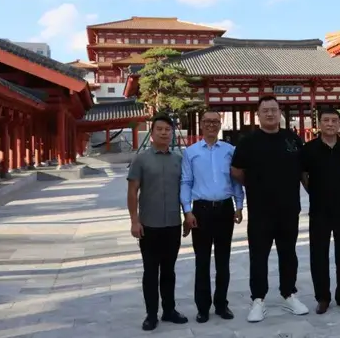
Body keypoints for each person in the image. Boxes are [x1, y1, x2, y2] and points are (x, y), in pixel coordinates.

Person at [230, 96, 309, 322]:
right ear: (258, 114)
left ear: (280, 112)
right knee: (258, 255)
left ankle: (288, 293)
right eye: (265, 110)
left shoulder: (292, 139)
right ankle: (258, 299)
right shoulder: (248, 141)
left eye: (274, 109)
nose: (270, 114)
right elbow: (236, 171)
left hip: (289, 208)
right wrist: (255, 184)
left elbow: (303, 171)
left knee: (288, 253)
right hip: (260, 210)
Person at [127, 113, 189, 331]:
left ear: (172, 133)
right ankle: (151, 314)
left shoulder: (179, 160)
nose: (164, 133)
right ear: (151, 133)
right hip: (149, 225)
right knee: (151, 271)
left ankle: (169, 310)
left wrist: (187, 216)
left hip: (173, 224)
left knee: (169, 271)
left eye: (167, 129)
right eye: (159, 129)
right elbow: (132, 191)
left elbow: (185, 190)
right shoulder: (141, 159)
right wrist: (134, 221)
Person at [181, 111, 244, 323]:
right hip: (201, 211)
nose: (211, 125)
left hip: (225, 209)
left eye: (215, 122)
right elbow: (186, 182)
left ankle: (221, 304)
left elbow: (236, 180)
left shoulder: (229, 150)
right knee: (202, 261)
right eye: (207, 121)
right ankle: (202, 307)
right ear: (201, 124)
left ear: (220, 124)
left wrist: (239, 205)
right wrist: (187, 211)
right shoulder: (190, 152)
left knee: (223, 261)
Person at [301, 108, 340, 314]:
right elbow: (304, 175)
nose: (330, 124)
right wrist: (314, 191)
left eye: (334, 120)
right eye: (326, 120)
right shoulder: (309, 148)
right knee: (319, 254)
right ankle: (322, 297)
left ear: (339, 123)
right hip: (319, 209)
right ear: (319, 123)